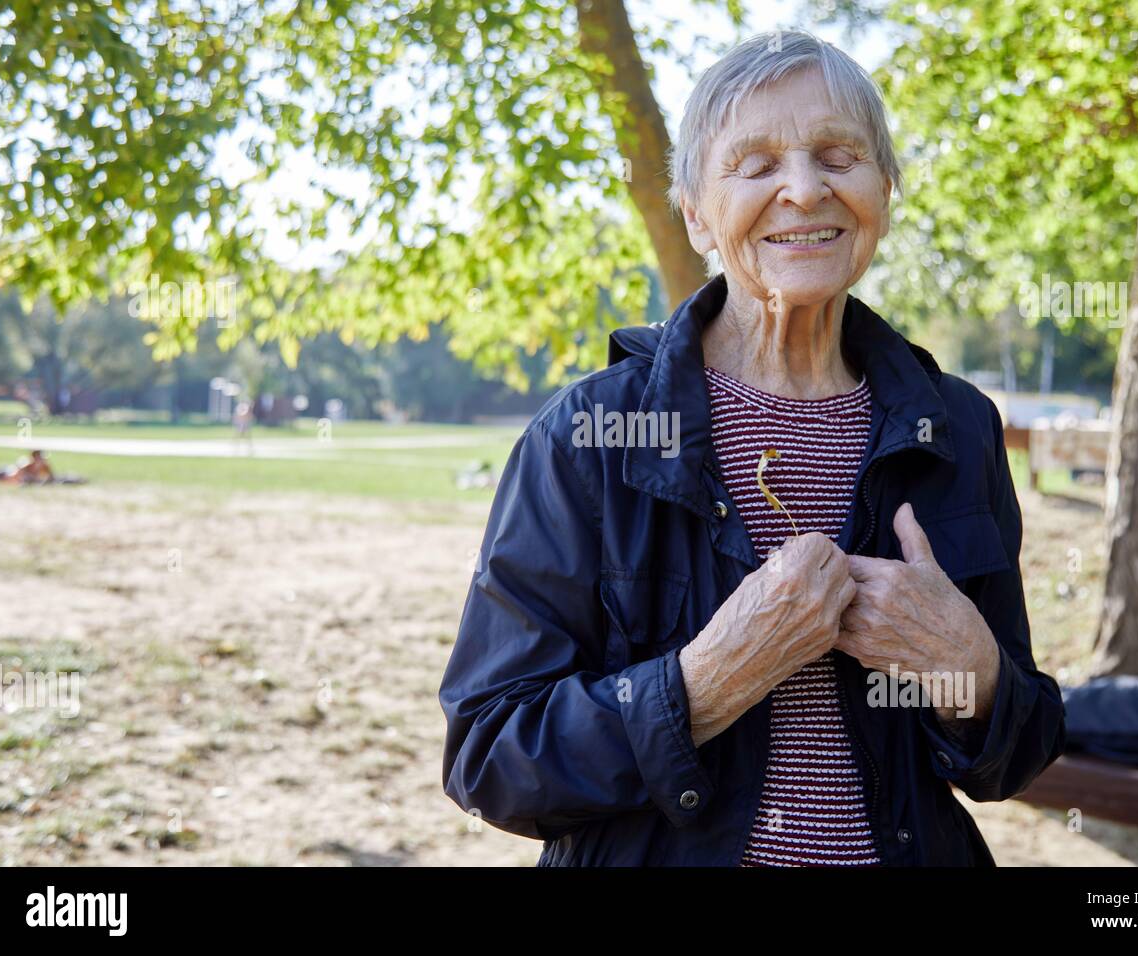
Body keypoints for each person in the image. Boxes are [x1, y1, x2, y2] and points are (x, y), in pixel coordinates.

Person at [439, 31, 1065, 866]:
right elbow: (491, 754)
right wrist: (704, 682)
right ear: (696, 213)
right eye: (756, 164)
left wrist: (971, 668)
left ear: (885, 190)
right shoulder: (588, 435)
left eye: (839, 156)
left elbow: (1015, 756)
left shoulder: (958, 429)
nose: (804, 191)